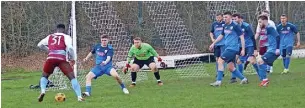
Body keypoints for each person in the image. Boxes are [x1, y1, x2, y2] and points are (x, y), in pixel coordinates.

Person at [37, 24, 83, 102]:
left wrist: (49, 50)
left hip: (51, 58)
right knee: (72, 77)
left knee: (44, 76)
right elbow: (70, 48)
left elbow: (39, 45)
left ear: (56, 29)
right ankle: (79, 97)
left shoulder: (50, 36)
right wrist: (72, 59)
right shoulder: (66, 37)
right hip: (61, 59)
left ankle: (43, 91)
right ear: (63, 30)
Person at [209, 11, 248, 86]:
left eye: (226, 17)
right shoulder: (225, 25)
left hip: (233, 48)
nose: (224, 18)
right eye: (223, 17)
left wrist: (243, 49)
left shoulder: (235, 25)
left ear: (230, 17)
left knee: (220, 61)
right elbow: (221, 35)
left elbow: (242, 37)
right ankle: (244, 79)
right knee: (230, 67)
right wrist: (213, 43)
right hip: (228, 48)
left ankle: (218, 81)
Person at [230, 13, 259, 83]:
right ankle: (237, 77)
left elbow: (252, 37)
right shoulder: (233, 27)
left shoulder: (246, 26)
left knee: (252, 61)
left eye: (235, 19)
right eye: (233, 19)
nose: (234, 20)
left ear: (239, 19)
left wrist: (255, 49)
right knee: (236, 61)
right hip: (240, 46)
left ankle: (261, 74)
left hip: (249, 46)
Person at [256, 15, 280, 86]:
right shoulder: (266, 28)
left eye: (260, 22)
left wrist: (277, 48)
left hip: (274, 50)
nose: (259, 24)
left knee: (260, 61)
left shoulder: (270, 28)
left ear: (264, 21)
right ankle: (264, 79)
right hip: (270, 49)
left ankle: (264, 80)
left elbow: (277, 37)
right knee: (260, 62)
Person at [209, 13, 226, 78]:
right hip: (216, 44)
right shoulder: (214, 24)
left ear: (222, 17)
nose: (218, 19)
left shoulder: (225, 23)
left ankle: (221, 72)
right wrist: (212, 39)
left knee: (222, 58)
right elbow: (211, 32)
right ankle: (218, 71)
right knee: (217, 58)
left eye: (219, 17)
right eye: (217, 17)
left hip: (223, 43)